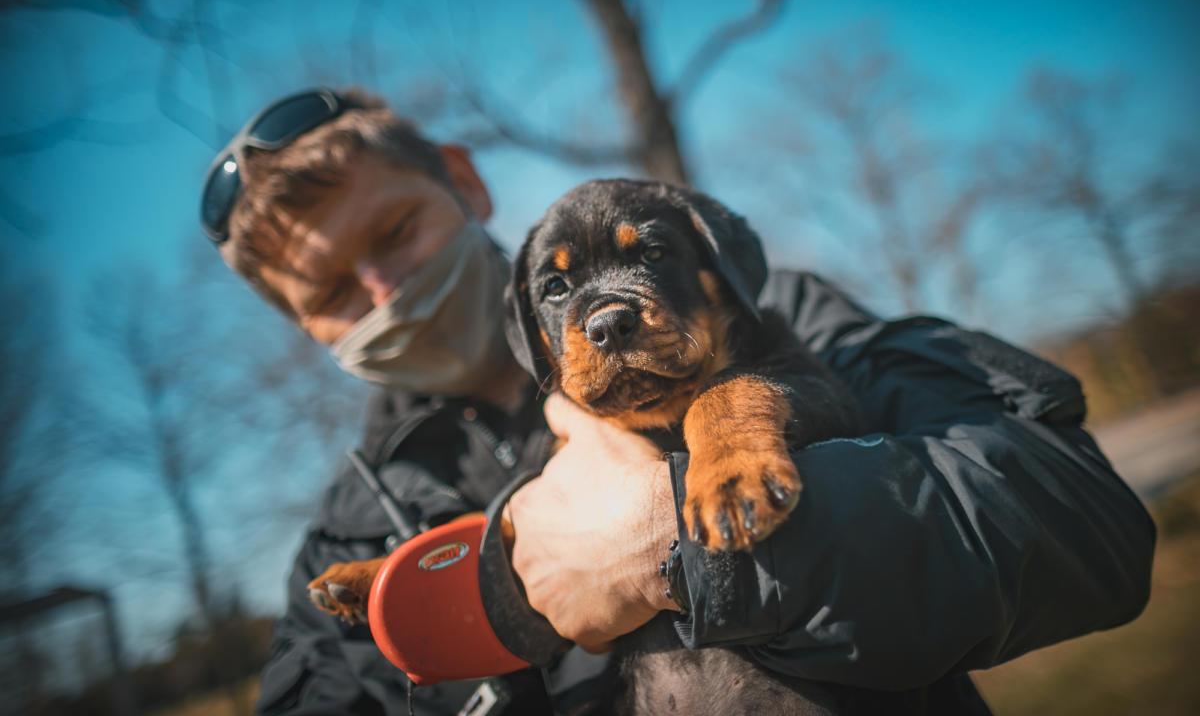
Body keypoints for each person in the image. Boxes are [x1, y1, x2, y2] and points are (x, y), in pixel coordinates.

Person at [201, 88, 1156, 716]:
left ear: (464, 180)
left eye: (398, 228)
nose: (381, 289)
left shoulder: (795, 329)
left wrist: (671, 537)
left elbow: (1089, 522)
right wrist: (473, 589)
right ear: (302, 327)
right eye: (329, 293)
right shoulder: (345, 536)